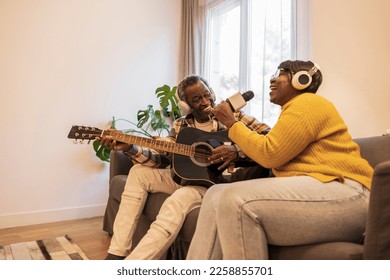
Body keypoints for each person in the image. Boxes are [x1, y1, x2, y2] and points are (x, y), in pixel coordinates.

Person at [186, 60, 374, 260]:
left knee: (235, 200)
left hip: (351, 193)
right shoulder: (292, 111)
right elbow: (269, 148)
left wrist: (232, 123)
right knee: (215, 194)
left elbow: (269, 153)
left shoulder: (308, 103)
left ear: (302, 80)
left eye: (281, 73)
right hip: (324, 188)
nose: (272, 79)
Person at [100, 75, 270, 260]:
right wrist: (130, 147)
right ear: (187, 105)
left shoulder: (233, 116)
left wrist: (237, 150)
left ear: (212, 93)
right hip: (191, 179)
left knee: (178, 199)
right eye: (196, 99)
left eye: (206, 95)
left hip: (220, 184)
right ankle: (115, 255)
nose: (205, 102)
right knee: (138, 172)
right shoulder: (182, 124)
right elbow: (163, 159)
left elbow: (269, 138)